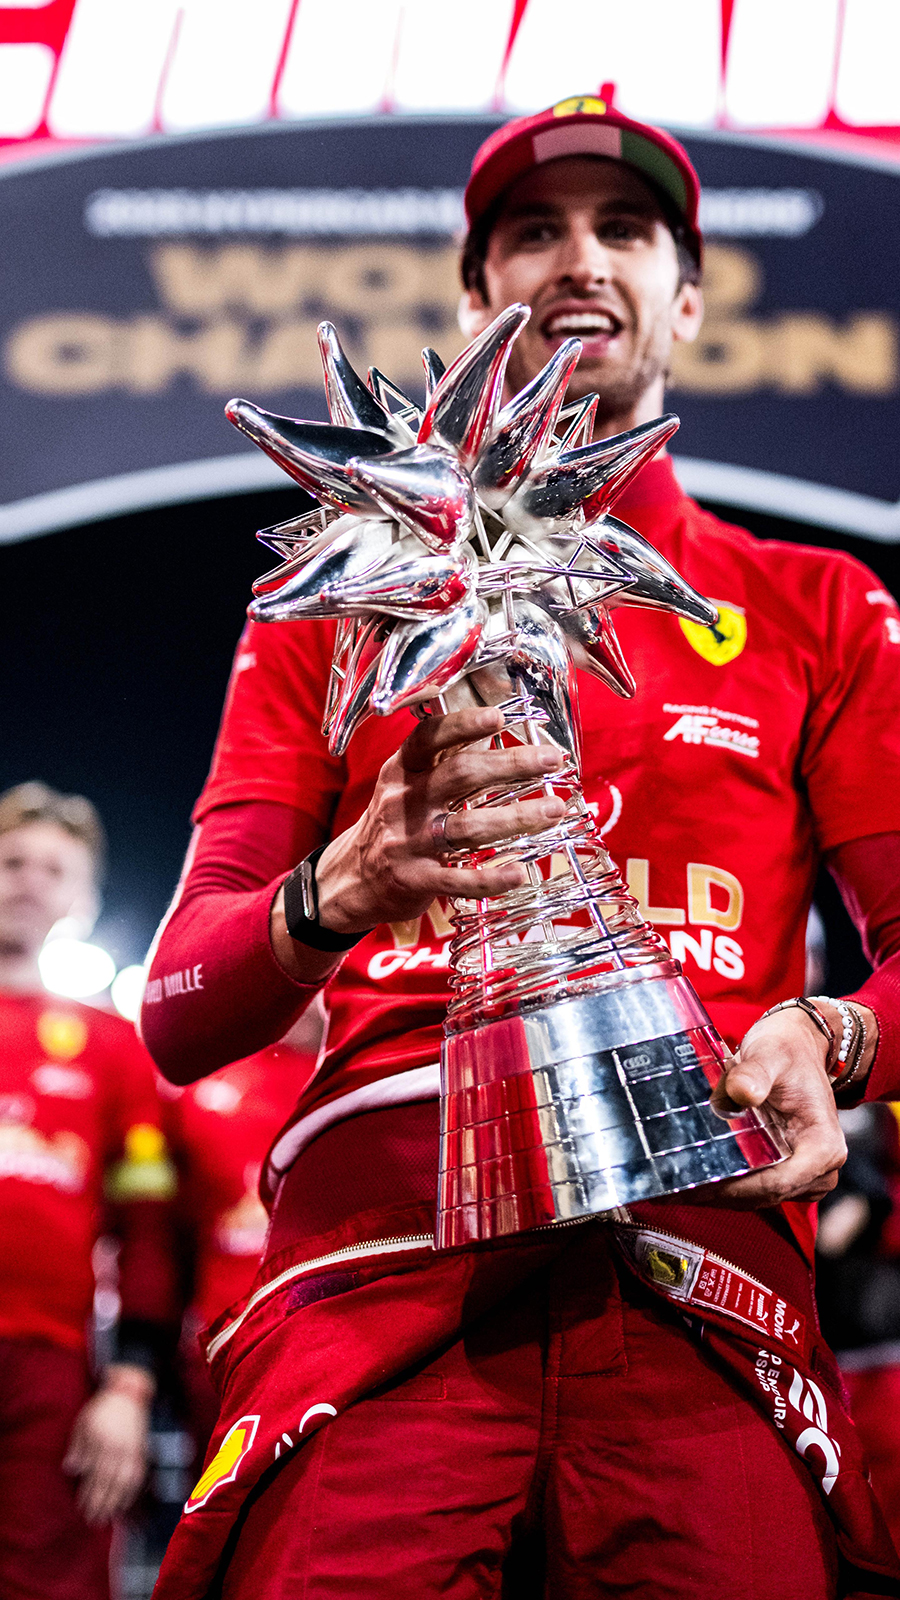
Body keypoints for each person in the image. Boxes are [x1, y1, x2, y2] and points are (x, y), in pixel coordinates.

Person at [144, 96, 900, 1599]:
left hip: (701, 1263)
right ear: (477, 297)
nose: (581, 260)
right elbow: (180, 1009)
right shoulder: (335, 605)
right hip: (378, 1278)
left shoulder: (817, 608)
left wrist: (838, 1036)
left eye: (626, 230)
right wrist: (341, 885)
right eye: (534, 233)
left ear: (689, 300)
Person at [0, 782, 177, 1600]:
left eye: (54, 869)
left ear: (83, 898)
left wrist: (129, 1389)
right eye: (13, 862)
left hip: (51, 1374)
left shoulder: (114, 1049)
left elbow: (148, 1232)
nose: (30, 882)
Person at [161, 1010, 321, 1459]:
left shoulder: (359, 1080)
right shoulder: (198, 1091)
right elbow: (169, 1229)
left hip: (327, 1335)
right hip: (223, 1341)